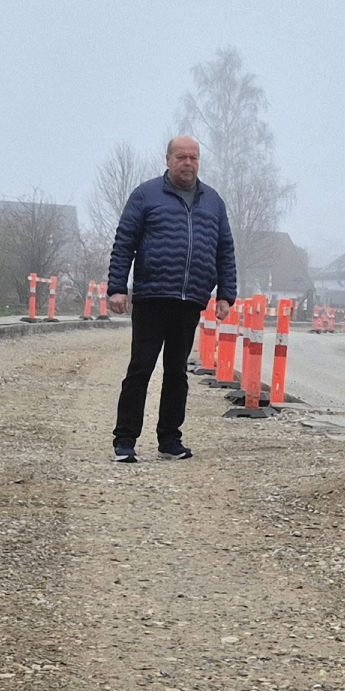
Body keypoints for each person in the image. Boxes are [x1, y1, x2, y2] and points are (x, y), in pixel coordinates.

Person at [105, 135, 237, 461]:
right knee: (141, 369)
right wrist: (117, 287)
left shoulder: (213, 202)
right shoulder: (146, 195)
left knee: (177, 372)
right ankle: (125, 441)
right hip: (152, 297)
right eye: (181, 157)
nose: (188, 163)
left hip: (190, 299)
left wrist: (226, 294)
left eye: (194, 158)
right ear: (168, 160)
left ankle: (170, 439)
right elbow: (125, 243)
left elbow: (225, 251)